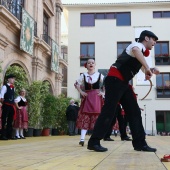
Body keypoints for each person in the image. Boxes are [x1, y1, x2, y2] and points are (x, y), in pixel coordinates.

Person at [87, 30, 160, 152]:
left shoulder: (140, 54)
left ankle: (140, 143)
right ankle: (94, 142)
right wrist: (148, 68)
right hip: (115, 80)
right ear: (146, 38)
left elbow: (142, 67)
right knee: (109, 110)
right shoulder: (135, 46)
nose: (155, 43)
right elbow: (137, 53)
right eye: (154, 40)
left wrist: (151, 69)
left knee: (134, 112)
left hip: (123, 83)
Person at [75, 58, 104, 146]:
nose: (91, 64)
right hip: (87, 97)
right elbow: (76, 84)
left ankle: (95, 139)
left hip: (96, 97)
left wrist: (103, 92)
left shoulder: (99, 75)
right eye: (89, 63)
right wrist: (81, 92)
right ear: (86, 65)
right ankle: (82, 139)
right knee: (85, 118)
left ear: (95, 65)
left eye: (92, 63)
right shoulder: (83, 75)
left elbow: (106, 84)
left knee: (96, 118)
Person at [0, 74, 17, 140]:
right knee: (4, 120)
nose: (13, 80)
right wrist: (4, 104)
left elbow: (13, 97)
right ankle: (3, 135)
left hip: (12, 106)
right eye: (12, 78)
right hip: (6, 105)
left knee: (10, 120)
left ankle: (9, 135)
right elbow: (1, 97)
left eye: (14, 79)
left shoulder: (13, 88)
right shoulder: (5, 86)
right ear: (8, 79)